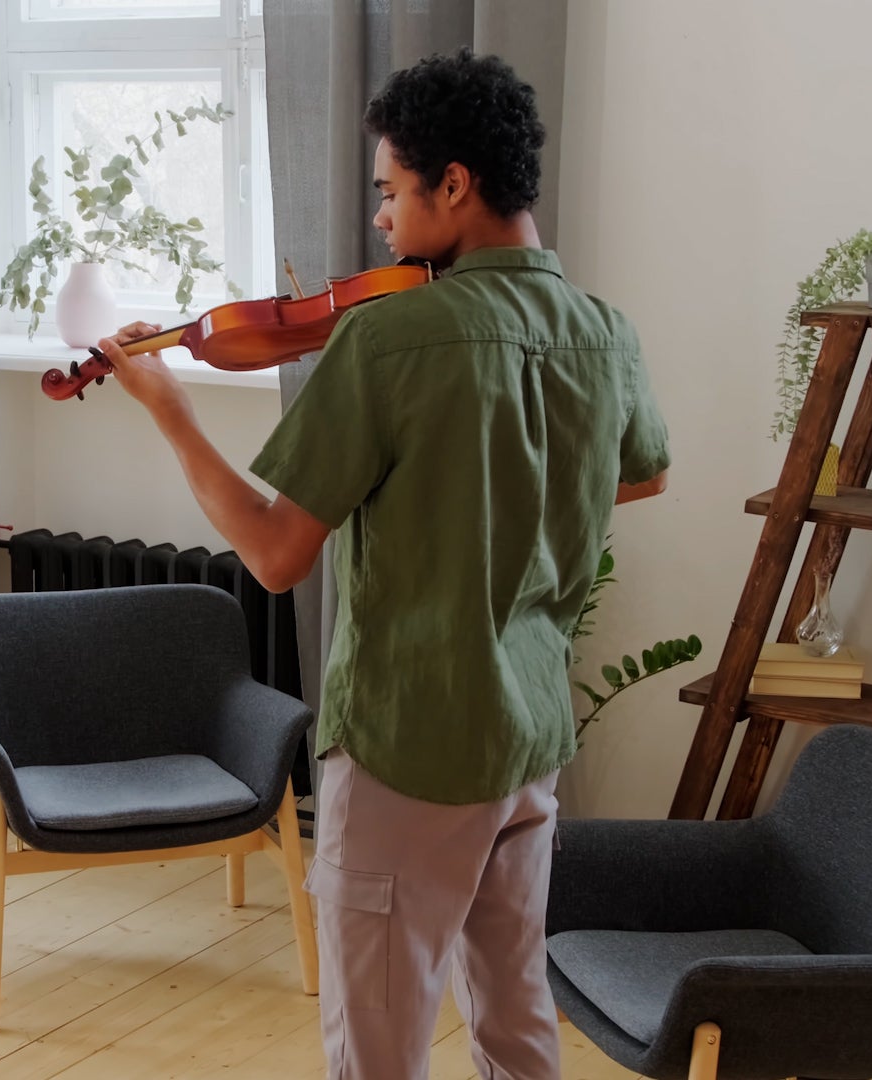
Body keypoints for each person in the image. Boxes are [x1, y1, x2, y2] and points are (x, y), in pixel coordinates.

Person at [94, 47, 670, 1080]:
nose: (382, 222)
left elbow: (275, 556)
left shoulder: (396, 339)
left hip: (412, 742)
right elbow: (641, 479)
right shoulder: (605, 335)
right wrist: (510, 488)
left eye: (391, 192)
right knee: (516, 1022)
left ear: (454, 185)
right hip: (530, 734)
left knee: (378, 1048)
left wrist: (172, 414)